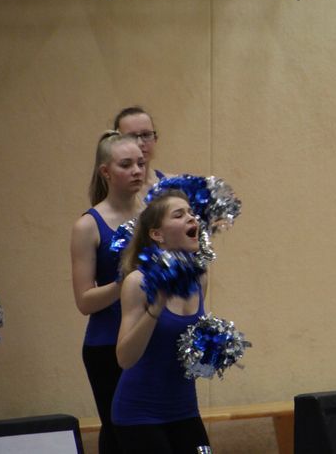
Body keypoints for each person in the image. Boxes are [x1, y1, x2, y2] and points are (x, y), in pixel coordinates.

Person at [112, 190, 211, 453]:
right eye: (179, 215)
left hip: (185, 409)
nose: (191, 218)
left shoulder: (200, 278)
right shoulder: (138, 282)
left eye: (191, 213)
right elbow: (124, 358)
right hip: (140, 415)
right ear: (157, 234)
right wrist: (156, 307)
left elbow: (184, 346)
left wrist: (211, 347)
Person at [71, 131, 145, 453]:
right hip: (107, 344)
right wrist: (125, 282)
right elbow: (84, 301)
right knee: (120, 433)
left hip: (150, 337)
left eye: (140, 163)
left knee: (153, 430)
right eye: (126, 165)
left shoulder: (154, 215)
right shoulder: (88, 226)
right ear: (106, 172)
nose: (137, 171)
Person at [113, 106, 168, 199]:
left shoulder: (173, 185)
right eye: (131, 137)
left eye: (146, 135)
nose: (140, 143)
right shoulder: (114, 193)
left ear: (155, 139)